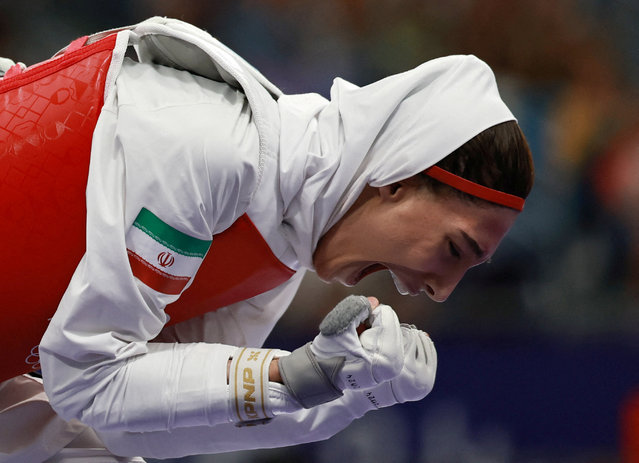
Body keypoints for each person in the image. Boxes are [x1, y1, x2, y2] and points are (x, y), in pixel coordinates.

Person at [0, 16, 533, 462]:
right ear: (398, 178)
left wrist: (347, 391)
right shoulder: (212, 149)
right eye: (455, 250)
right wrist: (284, 373)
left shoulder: (280, 248)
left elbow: (135, 422)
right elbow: (87, 378)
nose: (441, 290)